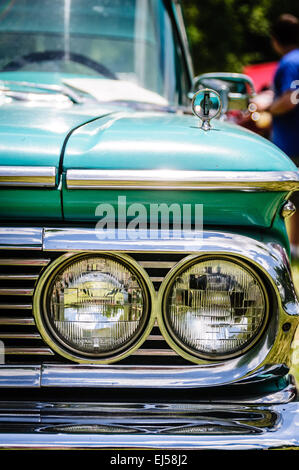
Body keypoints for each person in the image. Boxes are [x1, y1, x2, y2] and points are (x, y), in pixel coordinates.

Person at [253, 14, 299, 258]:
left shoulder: (290, 62)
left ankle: (285, 249)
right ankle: (294, 248)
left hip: (291, 143)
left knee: (286, 200)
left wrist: (267, 107)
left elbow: (292, 98)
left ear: (275, 40)